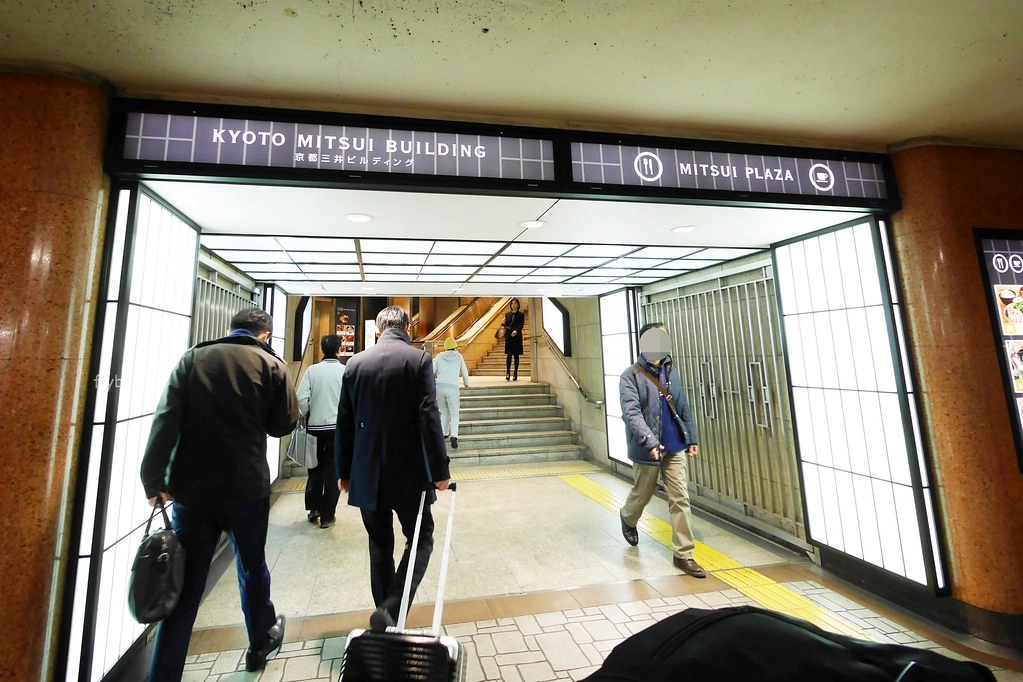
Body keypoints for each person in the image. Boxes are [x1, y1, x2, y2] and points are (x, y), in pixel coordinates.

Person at [140, 308, 299, 679]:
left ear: (231, 330)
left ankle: (163, 675)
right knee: (251, 566)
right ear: (266, 335)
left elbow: (166, 419)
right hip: (246, 489)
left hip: (191, 491)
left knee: (186, 585)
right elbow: (283, 425)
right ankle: (260, 641)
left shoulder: (193, 358)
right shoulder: (270, 364)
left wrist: (153, 480)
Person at [335, 305, 452, 630]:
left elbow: (343, 420)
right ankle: (393, 606)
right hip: (410, 473)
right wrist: (440, 471)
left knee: (379, 543)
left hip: (366, 473)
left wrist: (343, 471)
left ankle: (384, 616)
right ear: (407, 329)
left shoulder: (355, 363)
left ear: (378, 330)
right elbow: (429, 415)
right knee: (421, 537)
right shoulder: (418, 360)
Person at [618, 322, 706, 579]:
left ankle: (684, 554)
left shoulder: (671, 371)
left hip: (675, 445)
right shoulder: (630, 376)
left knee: (680, 498)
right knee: (642, 494)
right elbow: (631, 414)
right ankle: (628, 517)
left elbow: (682, 404)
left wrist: (691, 437)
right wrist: (650, 442)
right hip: (649, 449)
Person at [297, 334, 346, 528]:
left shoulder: (312, 371)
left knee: (314, 469)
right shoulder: (345, 371)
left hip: (315, 428)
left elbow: (301, 400)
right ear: (339, 349)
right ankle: (327, 516)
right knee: (333, 472)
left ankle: (314, 508)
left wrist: (307, 412)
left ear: (321, 349)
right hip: (337, 430)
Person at [434, 336, 471, 449]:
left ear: (445, 347)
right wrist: (466, 384)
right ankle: (454, 436)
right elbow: (464, 372)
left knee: (444, 411)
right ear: (455, 347)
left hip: (440, 387)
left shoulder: (439, 356)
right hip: (453, 388)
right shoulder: (459, 356)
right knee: (454, 413)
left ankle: (444, 434)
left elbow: (432, 370)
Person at [503, 297, 525, 381]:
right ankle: (508, 372)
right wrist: (503, 323)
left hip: (517, 336)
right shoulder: (507, 314)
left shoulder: (521, 314)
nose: (513, 305)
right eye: (512, 303)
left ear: (518, 304)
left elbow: (521, 325)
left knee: (516, 356)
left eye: (515, 303)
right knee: (509, 355)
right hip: (509, 337)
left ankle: (515, 372)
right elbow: (506, 326)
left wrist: (516, 331)